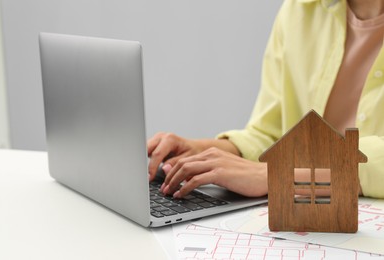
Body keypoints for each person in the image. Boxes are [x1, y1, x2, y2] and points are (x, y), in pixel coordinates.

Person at [148, 0, 384, 199]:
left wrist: (277, 176)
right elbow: (271, 134)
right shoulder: (298, 10)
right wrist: (204, 152)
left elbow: (269, 170)